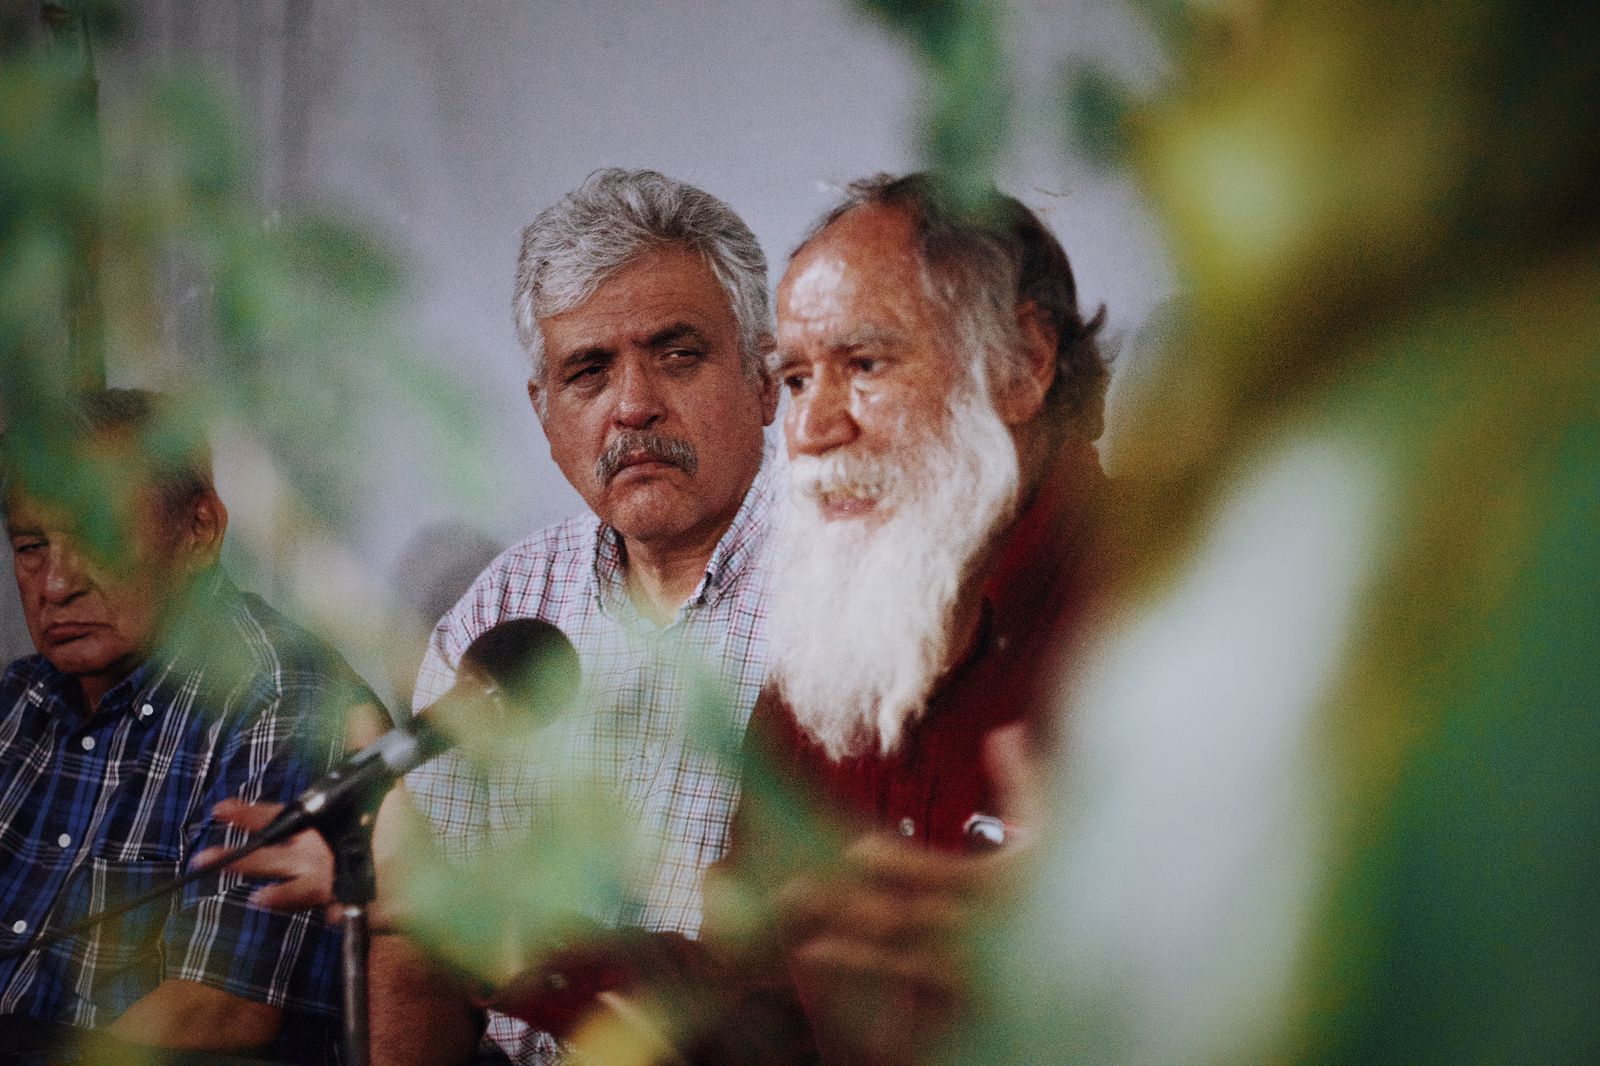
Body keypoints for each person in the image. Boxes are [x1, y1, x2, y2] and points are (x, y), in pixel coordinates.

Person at [499, 172, 1110, 1065]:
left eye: (864, 365)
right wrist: (493, 931)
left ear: (1021, 364)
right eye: (794, 378)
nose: (813, 427)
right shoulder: (829, 660)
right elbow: (758, 1011)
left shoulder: (1178, 614)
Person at [356, 167, 779, 1066]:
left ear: (766, 379)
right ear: (546, 415)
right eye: (588, 371)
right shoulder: (502, 613)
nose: (633, 405)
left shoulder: (848, 596)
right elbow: (415, 938)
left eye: (677, 354)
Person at [0, 389, 371, 1063]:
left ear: (198, 531)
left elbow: (220, 1009)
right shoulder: (18, 701)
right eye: (30, 546)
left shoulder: (278, 692)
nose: (55, 585)